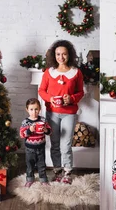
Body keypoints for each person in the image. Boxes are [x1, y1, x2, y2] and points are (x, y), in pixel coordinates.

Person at [38, 40, 84, 184]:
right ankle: (57, 170)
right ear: (54, 55)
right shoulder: (49, 72)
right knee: (55, 144)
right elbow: (41, 91)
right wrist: (50, 99)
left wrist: (71, 99)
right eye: (58, 54)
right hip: (52, 113)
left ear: (69, 55)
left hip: (69, 113)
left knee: (66, 144)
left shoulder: (76, 72)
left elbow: (80, 92)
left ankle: (68, 172)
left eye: (64, 54)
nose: (61, 57)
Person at [19, 98, 52, 187]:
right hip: (30, 148)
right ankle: (30, 179)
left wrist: (46, 130)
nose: (34, 112)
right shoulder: (25, 122)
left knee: (42, 165)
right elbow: (22, 135)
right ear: (27, 110)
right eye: (31, 109)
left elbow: (50, 132)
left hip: (41, 147)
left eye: (36, 109)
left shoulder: (43, 120)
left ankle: (43, 179)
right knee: (30, 165)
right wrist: (29, 130)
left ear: (40, 109)